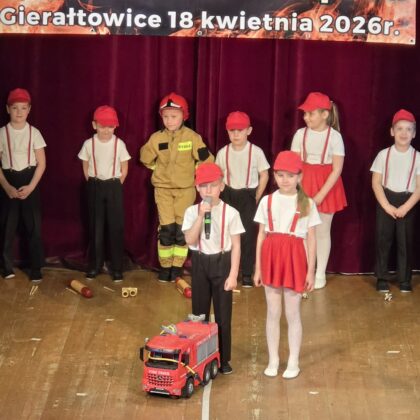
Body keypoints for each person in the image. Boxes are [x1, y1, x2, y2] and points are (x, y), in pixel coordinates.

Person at [254, 151, 320, 379]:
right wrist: (258, 268)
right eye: (280, 175)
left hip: (295, 258)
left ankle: (293, 360)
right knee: (273, 312)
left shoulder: (307, 203)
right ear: (274, 176)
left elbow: (311, 239)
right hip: (271, 256)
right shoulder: (267, 201)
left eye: (290, 176)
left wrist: (311, 271)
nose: (285, 180)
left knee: (292, 313)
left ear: (299, 176)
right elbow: (261, 236)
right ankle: (273, 359)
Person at [140, 93, 214, 282]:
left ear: (184, 116)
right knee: (166, 229)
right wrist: (158, 170)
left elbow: (207, 160)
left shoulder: (192, 138)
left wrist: (192, 175)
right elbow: (145, 158)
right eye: (165, 116)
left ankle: (177, 267)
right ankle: (165, 267)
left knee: (182, 230)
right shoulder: (156, 138)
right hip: (163, 190)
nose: (169, 120)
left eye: (174, 116)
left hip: (185, 191)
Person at [182, 162, 244, 374]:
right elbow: (190, 239)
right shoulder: (192, 211)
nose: (208, 190)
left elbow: (236, 245)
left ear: (222, 186)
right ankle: (202, 357)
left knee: (223, 315)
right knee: (199, 315)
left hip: (222, 262)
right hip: (200, 262)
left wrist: (233, 274)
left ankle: (224, 359)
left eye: (213, 185)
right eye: (203, 186)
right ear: (197, 187)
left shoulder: (231, 213)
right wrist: (201, 216)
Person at [291, 92, 347, 289]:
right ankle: (307, 271)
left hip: (327, 185)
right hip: (303, 183)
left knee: (322, 231)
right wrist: (299, 191)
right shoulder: (300, 134)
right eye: (305, 113)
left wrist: (321, 195)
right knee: (304, 231)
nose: (306, 117)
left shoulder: (335, 137)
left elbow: (337, 169)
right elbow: (294, 165)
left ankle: (320, 272)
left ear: (325, 114)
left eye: (311, 113)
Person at [216, 111, 269, 288]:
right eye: (232, 131)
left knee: (247, 235)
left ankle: (246, 272)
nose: (236, 134)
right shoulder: (223, 152)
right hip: (228, 194)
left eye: (240, 130)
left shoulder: (256, 152)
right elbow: (218, 174)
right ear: (227, 132)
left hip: (248, 195)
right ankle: (227, 270)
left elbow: (264, 174)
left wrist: (256, 195)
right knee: (226, 233)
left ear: (249, 130)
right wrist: (220, 192)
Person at [78, 105, 131, 282]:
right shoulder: (89, 143)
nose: (106, 130)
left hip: (113, 185)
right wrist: (91, 181)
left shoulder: (119, 144)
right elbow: (85, 164)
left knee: (116, 227)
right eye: (102, 126)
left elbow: (124, 167)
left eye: (110, 126)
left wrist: (116, 183)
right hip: (95, 185)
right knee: (96, 227)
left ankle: (117, 268)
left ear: (115, 126)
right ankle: (95, 265)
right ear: (94, 125)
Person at [371, 109, 420, 293]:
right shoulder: (383, 155)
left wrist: (405, 207)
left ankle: (404, 279)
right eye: (399, 128)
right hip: (386, 199)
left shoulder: (418, 157)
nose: (404, 133)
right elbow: (376, 183)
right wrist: (386, 206)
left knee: (405, 241)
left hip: (408, 201)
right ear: (392, 131)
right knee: (383, 239)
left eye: (408, 129)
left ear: (414, 133)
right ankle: (382, 277)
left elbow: (419, 187)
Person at [0, 88, 46, 283]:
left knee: (33, 226)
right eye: (15, 108)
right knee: (6, 226)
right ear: (7, 109)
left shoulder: (34, 133)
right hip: (8, 180)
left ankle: (36, 267)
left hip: (29, 179)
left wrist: (31, 187)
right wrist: (6, 187)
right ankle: (6, 266)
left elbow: (42, 163)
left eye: (23, 108)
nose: (19, 112)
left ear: (29, 110)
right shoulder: (2, 133)